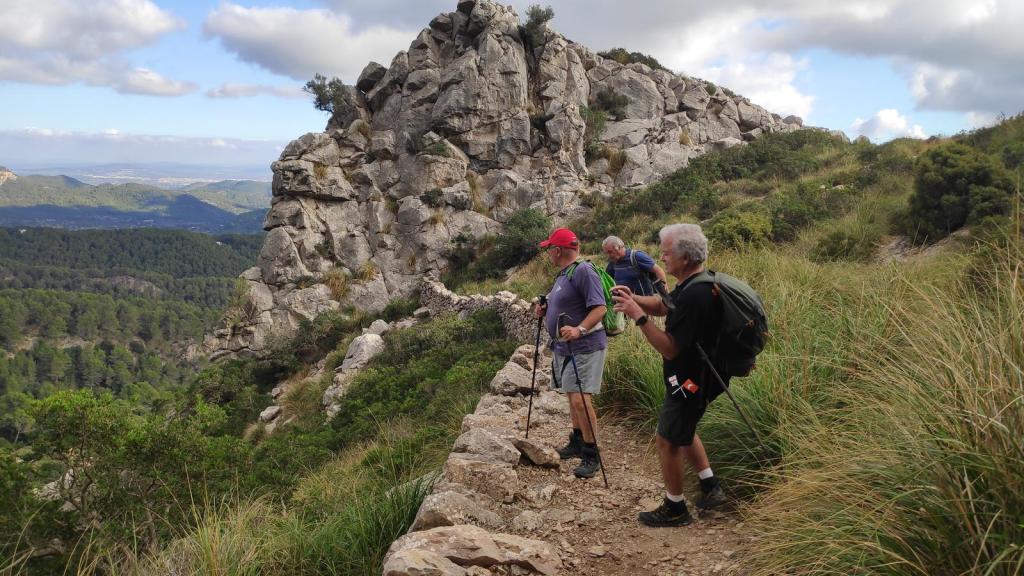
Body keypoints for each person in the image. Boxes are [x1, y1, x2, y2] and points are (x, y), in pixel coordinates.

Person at [611, 223, 728, 527]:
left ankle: (675, 508)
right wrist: (635, 298)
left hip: (691, 380)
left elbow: (670, 349)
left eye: (666, 253)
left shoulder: (695, 296)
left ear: (685, 257)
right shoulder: (695, 283)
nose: (661, 259)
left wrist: (638, 317)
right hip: (697, 375)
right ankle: (711, 486)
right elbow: (665, 305)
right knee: (684, 429)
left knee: (667, 439)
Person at [534, 227, 608, 479]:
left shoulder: (584, 271)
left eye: (549, 250)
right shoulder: (564, 275)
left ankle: (591, 452)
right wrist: (545, 310)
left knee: (580, 399)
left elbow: (599, 308)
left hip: (584, 345)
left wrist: (579, 329)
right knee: (571, 397)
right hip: (564, 347)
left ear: (557, 250)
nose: (548, 255)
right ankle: (578, 440)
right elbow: (563, 304)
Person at [602, 235, 667, 297]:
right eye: (606, 253)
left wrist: (664, 288)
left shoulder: (637, 256)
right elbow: (608, 281)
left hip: (645, 302)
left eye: (610, 252)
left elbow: (658, 270)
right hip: (625, 303)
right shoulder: (612, 263)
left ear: (619, 247)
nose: (608, 256)